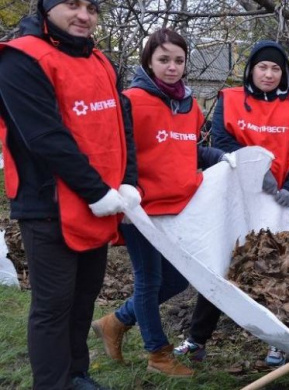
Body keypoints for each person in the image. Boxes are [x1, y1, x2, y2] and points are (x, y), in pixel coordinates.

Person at [0, 0, 138, 388]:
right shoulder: (19, 60)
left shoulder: (100, 62)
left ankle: (77, 375)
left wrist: (128, 181)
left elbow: (120, 123)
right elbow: (44, 137)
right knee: (53, 306)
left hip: (101, 202)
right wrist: (96, 190)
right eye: (72, 4)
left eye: (92, 7)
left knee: (83, 300)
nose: (84, 15)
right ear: (45, 7)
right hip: (48, 205)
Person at [90, 28, 235, 378]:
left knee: (176, 281)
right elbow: (116, 150)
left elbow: (187, 150)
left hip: (178, 209)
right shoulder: (131, 100)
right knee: (149, 280)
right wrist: (124, 193)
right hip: (139, 210)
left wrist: (223, 156)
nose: (172, 67)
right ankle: (158, 354)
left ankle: (115, 321)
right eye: (164, 59)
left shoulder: (190, 104)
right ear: (149, 61)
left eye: (179, 60)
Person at [174, 40, 289, 366]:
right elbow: (222, 142)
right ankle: (197, 339)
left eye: (276, 68)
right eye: (262, 67)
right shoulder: (231, 99)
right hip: (240, 199)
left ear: (284, 73)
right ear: (251, 69)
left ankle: (280, 341)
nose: (268, 74)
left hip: (285, 202)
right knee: (226, 265)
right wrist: (255, 171)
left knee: (285, 270)